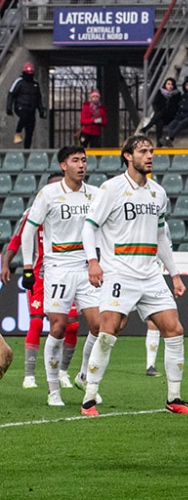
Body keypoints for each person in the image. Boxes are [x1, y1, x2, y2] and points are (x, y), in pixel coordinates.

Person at [80, 134, 188, 417]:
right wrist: (93, 261)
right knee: (108, 330)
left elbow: (161, 235)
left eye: (151, 151)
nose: (149, 156)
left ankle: (174, 398)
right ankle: (89, 399)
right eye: (143, 151)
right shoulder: (111, 188)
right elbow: (89, 226)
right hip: (120, 271)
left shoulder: (158, 192)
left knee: (174, 329)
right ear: (128, 156)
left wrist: (175, 274)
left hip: (151, 274)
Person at [17, 148, 103, 407]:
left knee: (99, 326)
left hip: (85, 266)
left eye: (84, 160)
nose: (81, 165)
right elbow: (28, 231)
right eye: (75, 160)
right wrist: (28, 268)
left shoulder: (95, 194)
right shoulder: (49, 194)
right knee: (58, 326)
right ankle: (53, 389)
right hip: (58, 268)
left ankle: (83, 376)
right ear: (64, 165)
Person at [2, 172, 82, 393]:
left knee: (72, 325)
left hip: (66, 273)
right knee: (37, 323)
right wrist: (6, 264)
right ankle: (29, 375)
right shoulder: (32, 213)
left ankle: (63, 372)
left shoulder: (75, 211)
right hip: (40, 275)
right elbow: (17, 240)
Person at [6, 62, 46, 149]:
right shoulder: (19, 82)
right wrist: (9, 107)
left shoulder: (35, 84)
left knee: (30, 131)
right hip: (21, 106)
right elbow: (11, 94)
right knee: (24, 116)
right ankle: (18, 132)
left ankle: (27, 150)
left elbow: (38, 99)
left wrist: (41, 111)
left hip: (32, 109)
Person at [141, 78, 181, 147]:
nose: (170, 86)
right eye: (168, 84)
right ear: (165, 84)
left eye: (172, 84)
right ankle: (159, 143)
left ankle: (147, 127)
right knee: (159, 122)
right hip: (160, 115)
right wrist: (159, 110)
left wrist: (165, 110)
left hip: (171, 116)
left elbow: (176, 107)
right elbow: (155, 104)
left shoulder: (177, 94)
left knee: (161, 113)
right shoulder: (160, 93)